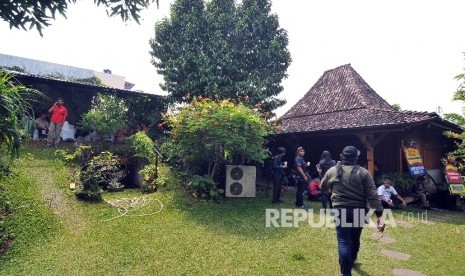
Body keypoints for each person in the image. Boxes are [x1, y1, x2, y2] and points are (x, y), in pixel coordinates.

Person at [320, 146, 384, 276]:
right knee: (355, 239)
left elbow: (322, 186)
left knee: (343, 241)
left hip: (340, 209)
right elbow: (372, 195)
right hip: (359, 210)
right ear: (356, 158)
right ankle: (352, 259)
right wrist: (380, 216)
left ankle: (346, 272)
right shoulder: (364, 172)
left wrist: (331, 193)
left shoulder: (332, 171)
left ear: (341, 156)